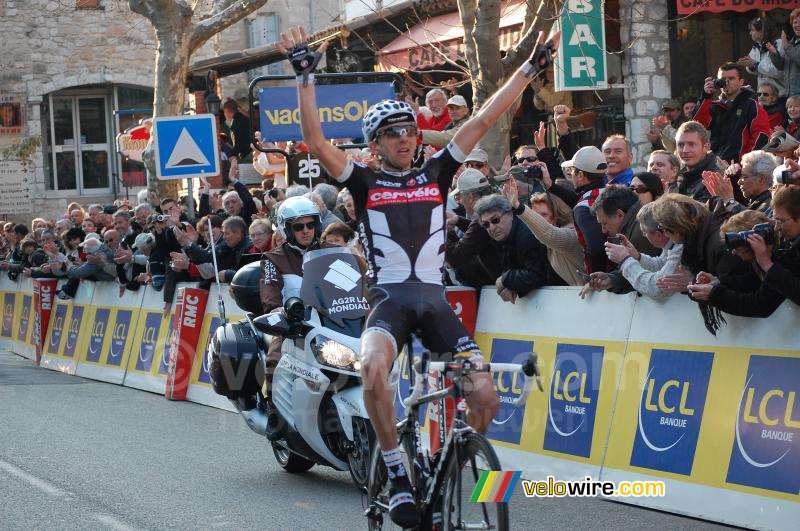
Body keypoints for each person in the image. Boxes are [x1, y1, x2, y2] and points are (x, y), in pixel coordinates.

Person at [277, 24, 559, 527]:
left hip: (435, 303)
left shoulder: (438, 172)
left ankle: (450, 459)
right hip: (389, 304)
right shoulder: (363, 181)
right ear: (375, 145)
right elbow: (315, 141)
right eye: (392, 133)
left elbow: (486, 115)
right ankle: (397, 473)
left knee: (487, 398)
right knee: (371, 371)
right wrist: (305, 76)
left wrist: (529, 70)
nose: (404, 138)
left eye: (409, 130)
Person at [258, 197, 322, 435]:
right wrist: (275, 309)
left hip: (332, 325)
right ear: (287, 229)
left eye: (310, 225)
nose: (306, 231)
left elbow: (355, 284)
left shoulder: (330, 252)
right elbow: (270, 291)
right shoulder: (274, 259)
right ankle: (275, 415)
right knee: (275, 358)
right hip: (294, 327)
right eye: (298, 226)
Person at [447, 194, 549, 300]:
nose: (492, 228)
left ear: (510, 214)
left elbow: (536, 275)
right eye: (486, 224)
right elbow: (477, 235)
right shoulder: (504, 231)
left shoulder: (526, 236)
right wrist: (457, 221)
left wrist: (504, 280)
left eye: (495, 220)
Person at [502, 172, 585, 285]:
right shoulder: (543, 241)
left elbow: (549, 233)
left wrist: (518, 206)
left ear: (557, 214)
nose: (539, 220)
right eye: (536, 215)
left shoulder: (571, 234)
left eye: (544, 215)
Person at [600, 201, 683, 300]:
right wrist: (636, 256)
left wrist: (625, 261)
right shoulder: (673, 242)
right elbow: (661, 264)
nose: (643, 235)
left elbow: (656, 288)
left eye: (644, 231)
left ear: (659, 235)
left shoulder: (679, 246)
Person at [694, 62, 771, 162]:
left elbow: (760, 137)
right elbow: (696, 127)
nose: (726, 82)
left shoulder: (752, 105)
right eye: (723, 79)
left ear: (741, 82)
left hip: (740, 167)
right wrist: (706, 96)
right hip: (715, 166)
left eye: (731, 78)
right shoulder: (714, 106)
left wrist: (745, 164)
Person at [561, 145, 608, 273]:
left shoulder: (583, 207)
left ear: (581, 174)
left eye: (572, 170)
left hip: (606, 282)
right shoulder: (617, 190)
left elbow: (596, 249)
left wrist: (596, 279)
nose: (570, 173)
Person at [702, 150, 775, 215]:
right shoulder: (754, 200)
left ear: (761, 179)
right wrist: (722, 200)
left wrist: (729, 201)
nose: (739, 182)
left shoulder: (771, 205)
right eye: (739, 176)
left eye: (744, 177)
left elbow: (748, 224)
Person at [739, 17, 785, 96]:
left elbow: (778, 72)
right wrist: (750, 65)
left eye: (752, 30)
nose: (750, 33)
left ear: (762, 31)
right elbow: (753, 68)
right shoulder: (757, 46)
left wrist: (755, 64)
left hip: (778, 95)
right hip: (762, 94)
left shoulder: (778, 43)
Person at [675, 121, 719, 203]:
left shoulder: (714, 178)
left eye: (691, 144)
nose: (685, 150)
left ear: (706, 147)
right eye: (681, 145)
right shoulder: (679, 175)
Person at [771, 9, 800, 97]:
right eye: (795, 22)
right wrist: (775, 54)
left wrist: (786, 46)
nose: (798, 25)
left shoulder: (788, 45)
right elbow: (782, 66)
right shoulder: (791, 43)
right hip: (790, 96)